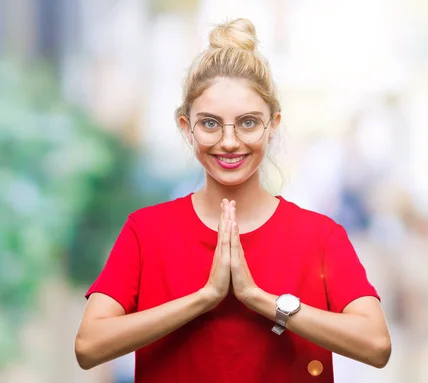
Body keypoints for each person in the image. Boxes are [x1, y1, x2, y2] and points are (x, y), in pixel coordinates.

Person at [74, 18, 391, 383]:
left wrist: (259, 299)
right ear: (185, 126)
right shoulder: (146, 232)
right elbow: (88, 345)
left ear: (272, 126)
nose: (228, 141)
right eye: (210, 123)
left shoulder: (319, 236)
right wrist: (204, 298)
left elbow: (377, 344)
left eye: (248, 123)